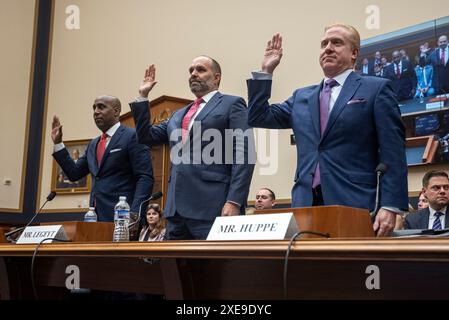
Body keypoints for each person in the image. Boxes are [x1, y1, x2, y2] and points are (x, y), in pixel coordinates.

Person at [246, 25, 408, 237]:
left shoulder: (376, 89)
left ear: (354, 53)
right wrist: (266, 71)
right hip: (305, 204)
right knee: (311, 270)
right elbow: (258, 116)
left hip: (355, 203)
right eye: (324, 44)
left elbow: (393, 151)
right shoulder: (301, 97)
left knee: (351, 268)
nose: (328, 48)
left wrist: (390, 205)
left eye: (337, 43)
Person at [130, 58, 255, 240]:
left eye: (200, 69)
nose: (193, 74)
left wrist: (234, 201)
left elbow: (244, 154)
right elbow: (145, 136)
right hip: (175, 211)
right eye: (190, 70)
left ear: (216, 78)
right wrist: (142, 97)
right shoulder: (178, 115)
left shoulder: (231, 104)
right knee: (174, 267)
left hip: (213, 206)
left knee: (214, 267)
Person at [51, 95, 154, 221]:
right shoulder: (93, 144)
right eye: (94, 108)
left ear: (116, 111)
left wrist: (135, 214)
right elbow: (74, 173)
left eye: (101, 107)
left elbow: (144, 178)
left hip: (123, 217)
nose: (96, 112)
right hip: (95, 217)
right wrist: (58, 144)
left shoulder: (132, 136)